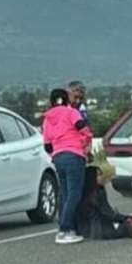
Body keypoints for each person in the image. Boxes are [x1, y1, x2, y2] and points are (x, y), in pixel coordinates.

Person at [42, 88, 93, 244]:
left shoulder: (47, 119)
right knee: (74, 193)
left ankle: (63, 227)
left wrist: (56, 154)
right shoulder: (71, 113)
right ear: (66, 100)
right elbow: (82, 128)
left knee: (64, 193)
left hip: (58, 157)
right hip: (74, 154)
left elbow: (47, 145)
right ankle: (66, 229)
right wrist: (86, 143)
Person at [76, 166, 132, 240]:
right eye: (99, 175)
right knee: (126, 227)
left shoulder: (82, 193)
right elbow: (107, 212)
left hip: (83, 230)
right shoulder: (98, 192)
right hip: (99, 230)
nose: (102, 177)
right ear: (92, 178)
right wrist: (124, 218)